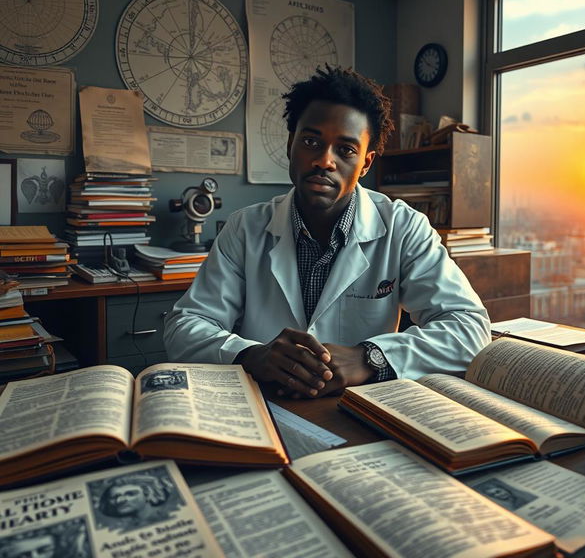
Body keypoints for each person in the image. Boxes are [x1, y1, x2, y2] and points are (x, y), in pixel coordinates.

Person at [164, 65, 490, 398]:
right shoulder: (245, 227)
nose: (324, 161)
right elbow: (184, 327)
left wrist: (371, 357)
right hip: (263, 402)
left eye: (346, 149)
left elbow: (469, 328)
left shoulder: (403, 227)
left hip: (357, 408)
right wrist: (250, 355)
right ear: (291, 144)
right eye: (310, 141)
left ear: (366, 163)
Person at [98, 474, 172, 530]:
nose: (119, 501)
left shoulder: (166, 516)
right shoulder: (120, 526)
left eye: (130, 494)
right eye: (114, 497)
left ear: (148, 494)